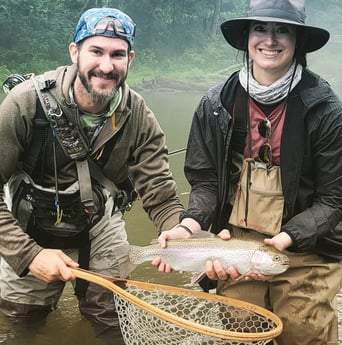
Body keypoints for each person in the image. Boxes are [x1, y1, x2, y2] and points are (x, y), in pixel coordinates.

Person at [153, 0, 342, 344]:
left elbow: (333, 201)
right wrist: (189, 225)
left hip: (307, 245)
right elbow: (206, 181)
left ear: (298, 40)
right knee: (240, 326)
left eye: (282, 29)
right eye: (261, 29)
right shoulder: (216, 104)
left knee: (304, 328)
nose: (270, 40)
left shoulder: (326, 109)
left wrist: (284, 241)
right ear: (247, 37)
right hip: (235, 241)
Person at [0, 7, 183, 343]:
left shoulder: (139, 115)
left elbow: (162, 195)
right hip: (27, 224)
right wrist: (28, 254)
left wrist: (180, 233)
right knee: (19, 325)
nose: (106, 65)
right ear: (75, 52)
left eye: (117, 54)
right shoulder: (23, 104)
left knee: (115, 319)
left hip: (99, 222)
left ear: (130, 58)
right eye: (96, 51)